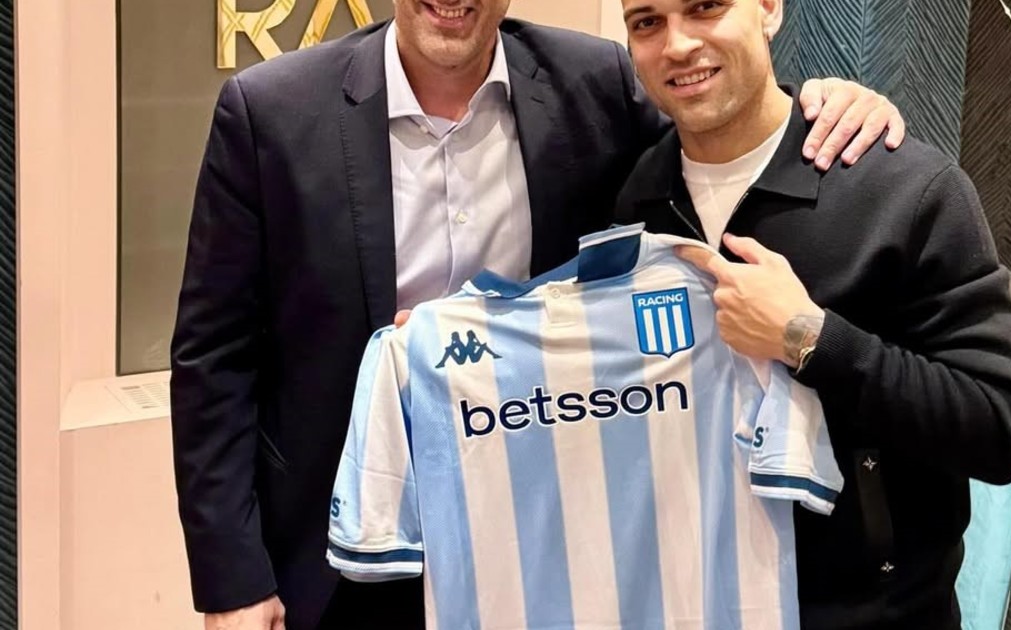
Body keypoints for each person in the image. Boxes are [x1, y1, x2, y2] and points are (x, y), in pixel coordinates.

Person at [169, 0, 908, 628]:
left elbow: (710, 135)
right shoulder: (270, 111)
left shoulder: (595, 82)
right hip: (347, 550)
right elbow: (214, 358)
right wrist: (233, 579)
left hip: (537, 547)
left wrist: (819, 102)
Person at [611, 0, 1011, 628]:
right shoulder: (631, 203)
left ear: (768, 9)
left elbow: (999, 429)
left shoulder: (905, 189)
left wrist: (810, 339)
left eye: (706, 7)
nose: (677, 44)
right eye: (647, 22)